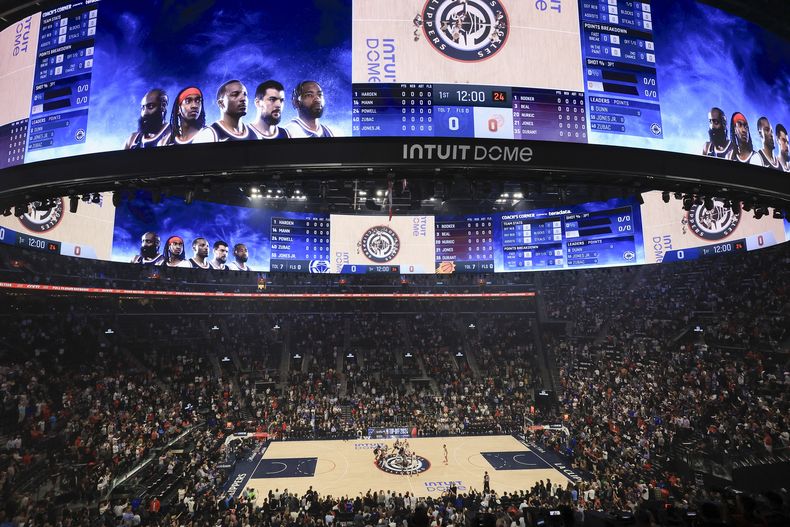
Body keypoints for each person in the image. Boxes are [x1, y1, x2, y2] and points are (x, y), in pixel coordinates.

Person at [193, 80, 262, 142]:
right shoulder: (208, 135)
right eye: (235, 94)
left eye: (245, 94)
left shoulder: (255, 134)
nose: (243, 98)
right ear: (221, 103)